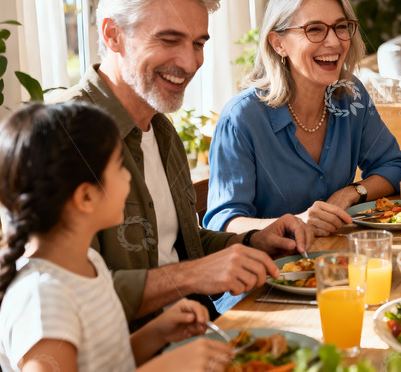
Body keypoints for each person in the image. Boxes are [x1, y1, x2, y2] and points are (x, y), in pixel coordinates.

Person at [54, 0, 315, 325]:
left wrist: (251, 241)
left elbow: (178, 246)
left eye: (197, 43)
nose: (191, 63)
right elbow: (65, 297)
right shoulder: (60, 137)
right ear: (113, 35)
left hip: (198, 330)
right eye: (169, 40)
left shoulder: (160, 129)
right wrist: (193, 275)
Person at [0, 102, 233, 372]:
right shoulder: (42, 300)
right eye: (120, 167)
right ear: (86, 197)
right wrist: (164, 367)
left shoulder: (89, 263)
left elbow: (108, 363)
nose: (129, 178)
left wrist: (157, 333)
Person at [203, 0, 401, 238]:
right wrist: (297, 222)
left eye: (340, 27)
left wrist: (352, 193)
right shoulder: (241, 118)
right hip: (273, 261)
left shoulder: (351, 94)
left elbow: (392, 165)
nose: (334, 42)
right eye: (314, 29)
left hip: (337, 253)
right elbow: (223, 224)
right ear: (278, 43)